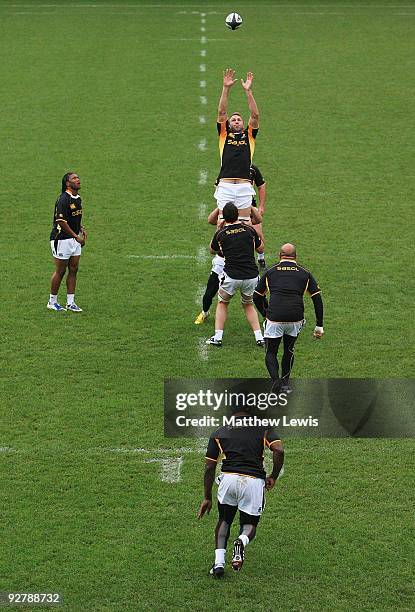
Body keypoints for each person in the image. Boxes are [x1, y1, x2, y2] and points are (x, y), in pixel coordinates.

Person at [197, 411, 284, 577]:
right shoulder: (262, 427)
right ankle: (241, 541)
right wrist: (273, 476)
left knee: (224, 519)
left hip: (228, 480)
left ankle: (218, 564)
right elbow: (279, 450)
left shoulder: (219, 432)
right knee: (249, 525)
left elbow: (209, 467)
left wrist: (207, 496)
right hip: (252, 481)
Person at [253, 243, 324, 392]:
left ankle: (275, 381)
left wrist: (265, 313)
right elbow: (317, 299)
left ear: (280, 256)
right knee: (289, 350)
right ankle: (285, 383)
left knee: (271, 352)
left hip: (274, 318)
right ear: (296, 257)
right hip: (295, 318)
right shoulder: (305, 273)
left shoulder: (270, 272)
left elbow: (256, 296)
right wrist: (319, 325)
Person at [206, 202, 265, 347]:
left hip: (231, 276)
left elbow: (212, 250)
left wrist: (219, 229)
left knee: (222, 303)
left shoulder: (221, 233)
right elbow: (261, 248)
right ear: (238, 214)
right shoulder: (249, 230)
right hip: (251, 276)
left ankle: (218, 337)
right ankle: (259, 337)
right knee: (248, 304)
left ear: (224, 217)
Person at [214, 68, 261, 224]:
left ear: (243, 123)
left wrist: (248, 91)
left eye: (238, 120)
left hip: (243, 185)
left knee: (245, 223)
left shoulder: (249, 135)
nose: (235, 121)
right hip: (226, 185)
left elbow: (255, 116)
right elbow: (221, 112)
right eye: (233, 119)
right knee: (221, 224)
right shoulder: (224, 134)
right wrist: (226, 88)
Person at [47, 172, 87, 312]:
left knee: (74, 269)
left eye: (78, 177)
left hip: (74, 238)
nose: (78, 180)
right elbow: (61, 222)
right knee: (61, 271)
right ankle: (52, 301)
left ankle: (70, 302)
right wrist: (76, 237)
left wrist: (81, 228)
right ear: (67, 183)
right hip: (61, 239)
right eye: (74, 178)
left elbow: (74, 217)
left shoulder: (77, 198)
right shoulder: (63, 199)